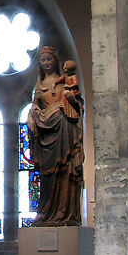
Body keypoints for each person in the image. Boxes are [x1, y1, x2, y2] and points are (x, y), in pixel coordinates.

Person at [27, 46, 84, 226]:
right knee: (46, 174)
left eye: (49, 59)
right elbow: (34, 106)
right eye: (43, 60)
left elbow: (77, 107)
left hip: (63, 130)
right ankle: (45, 211)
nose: (46, 63)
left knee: (64, 171)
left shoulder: (64, 82)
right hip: (46, 134)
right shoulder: (39, 86)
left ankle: (64, 212)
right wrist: (33, 114)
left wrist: (71, 99)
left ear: (55, 61)